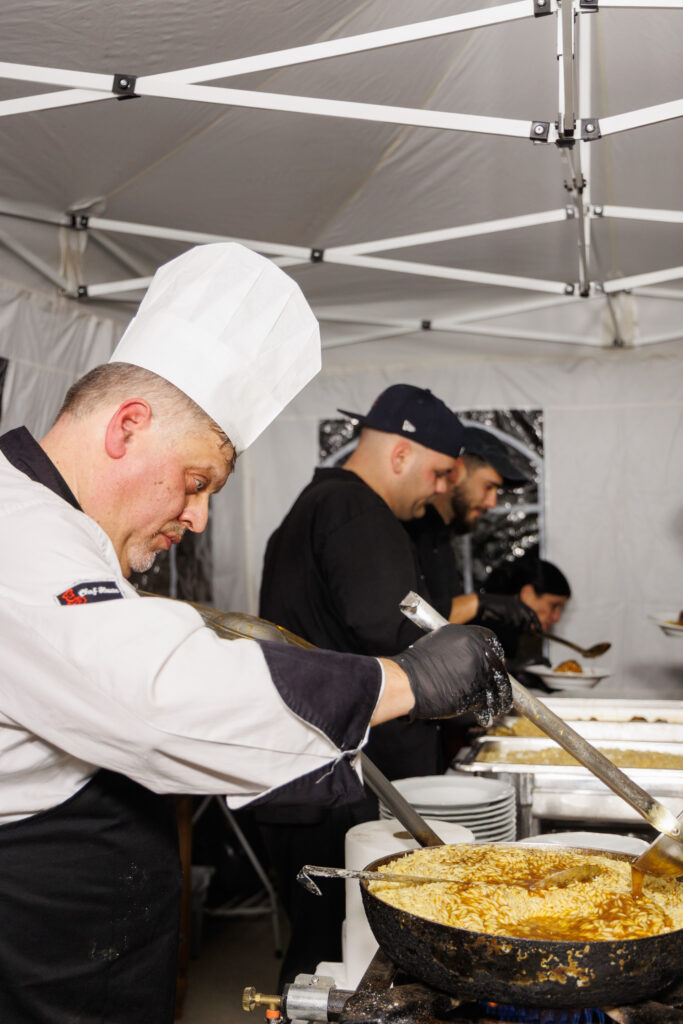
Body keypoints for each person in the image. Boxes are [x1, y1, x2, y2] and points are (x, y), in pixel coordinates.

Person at [0, 244, 511, 1024]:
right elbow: (158, 694)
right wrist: (408, 680)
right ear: (127, 427)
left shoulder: (61, 532)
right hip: (38, 947)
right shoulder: (18, 529)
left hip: (87, 944)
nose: (198, 517)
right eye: (195, 482)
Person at [259, 383, 487, 982]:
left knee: (324, 952)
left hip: (309, 774)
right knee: (341, 956)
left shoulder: (318, 504)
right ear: (400, 454)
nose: (442, 489)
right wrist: (466, 657)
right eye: (440, 473)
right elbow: (397, 633)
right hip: (336, 782)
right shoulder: (356, 510)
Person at [406, 424, 541, 637]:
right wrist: (478, 603)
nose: (492, 503)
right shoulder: (410, 531)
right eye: (489, 487)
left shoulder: (442, 539)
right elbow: (407, 616)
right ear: (456, 471)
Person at [482, 554, 572, 675]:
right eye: (554, 606)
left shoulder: (519, 633)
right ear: (527, 594)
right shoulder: (487, 624)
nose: (556, 618)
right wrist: (508, 666)